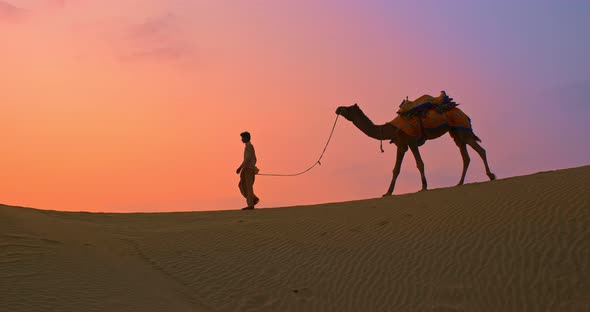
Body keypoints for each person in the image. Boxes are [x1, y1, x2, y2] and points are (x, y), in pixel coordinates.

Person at [236, 131, 260, 210]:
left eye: (242, 138)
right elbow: (254, 158)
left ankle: (251, 204)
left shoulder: (249, 146)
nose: (241, 139)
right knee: (241, 185)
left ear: (246, 138)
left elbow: (248, 158)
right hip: (247, 168)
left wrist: (240, 167)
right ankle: (253, 199)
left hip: (248, 169)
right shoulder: (248, 146)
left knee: (248, 186)